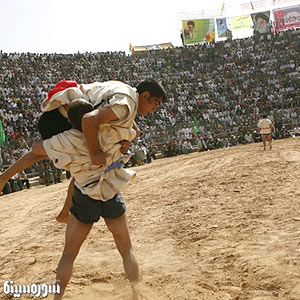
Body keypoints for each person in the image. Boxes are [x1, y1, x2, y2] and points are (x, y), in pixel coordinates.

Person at [31, 84, 166, 299]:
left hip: (85, 196)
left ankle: (58, 298)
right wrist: (123, 139)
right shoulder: (111, 132)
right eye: (155, 103)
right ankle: (136, 293)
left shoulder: (67, 140)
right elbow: (132, 131)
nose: (155, 109)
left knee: (68, 256)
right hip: (110, 192)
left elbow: (35, 150)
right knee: (126, 249)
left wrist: (51, 143)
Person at [0, 79, 162, 223]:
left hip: (58, 114)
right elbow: (91, 119)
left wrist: (130, 133)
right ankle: (65, 211)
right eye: (154, 102)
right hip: (63, 119)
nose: (154, 108)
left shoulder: (124, 89)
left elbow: (117, 114)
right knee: (86, 162)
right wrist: (95, 153)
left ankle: (5, 179)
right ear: (145, 95)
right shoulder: (125, 104)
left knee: (44, 154)